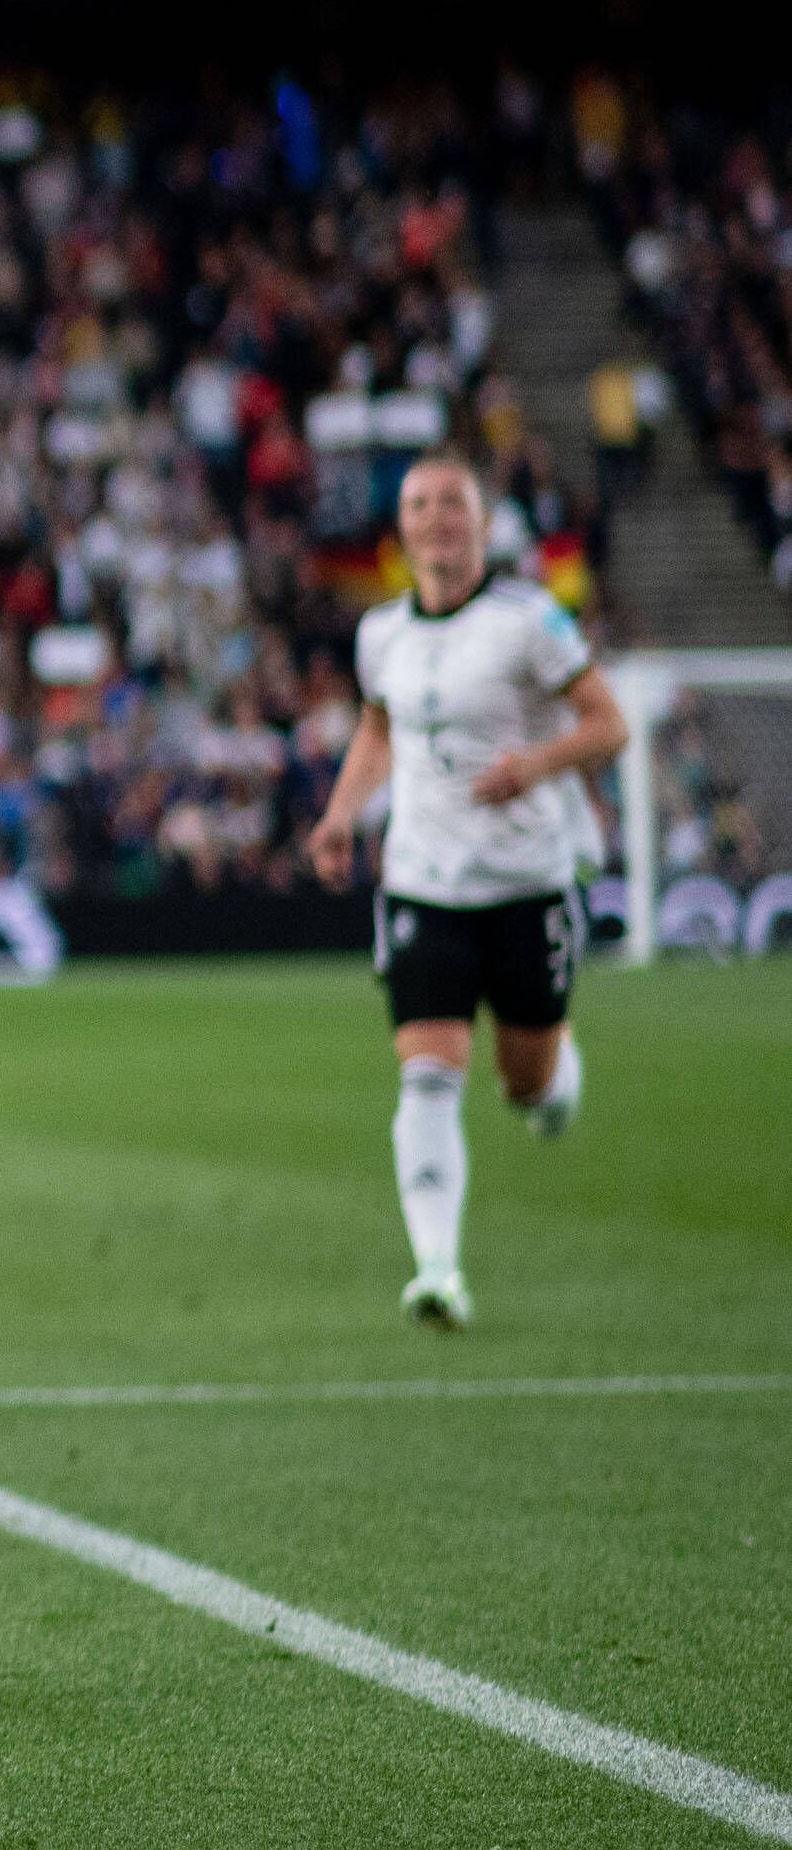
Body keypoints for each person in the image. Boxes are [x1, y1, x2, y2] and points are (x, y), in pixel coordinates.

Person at [308, 448, 629, 1328]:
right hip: (422, 884)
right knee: (426, 1077)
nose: (437, 518)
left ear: (482, 523)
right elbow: (379, 732)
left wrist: (537, 765)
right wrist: (340, 816)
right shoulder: (381, 635)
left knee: (526, 1086)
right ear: (402, 529)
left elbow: (609, 725)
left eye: (453, 502)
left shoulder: (530, 621)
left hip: (526, 884)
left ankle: (554, 1079)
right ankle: (438, 1272)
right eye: (420, 505)